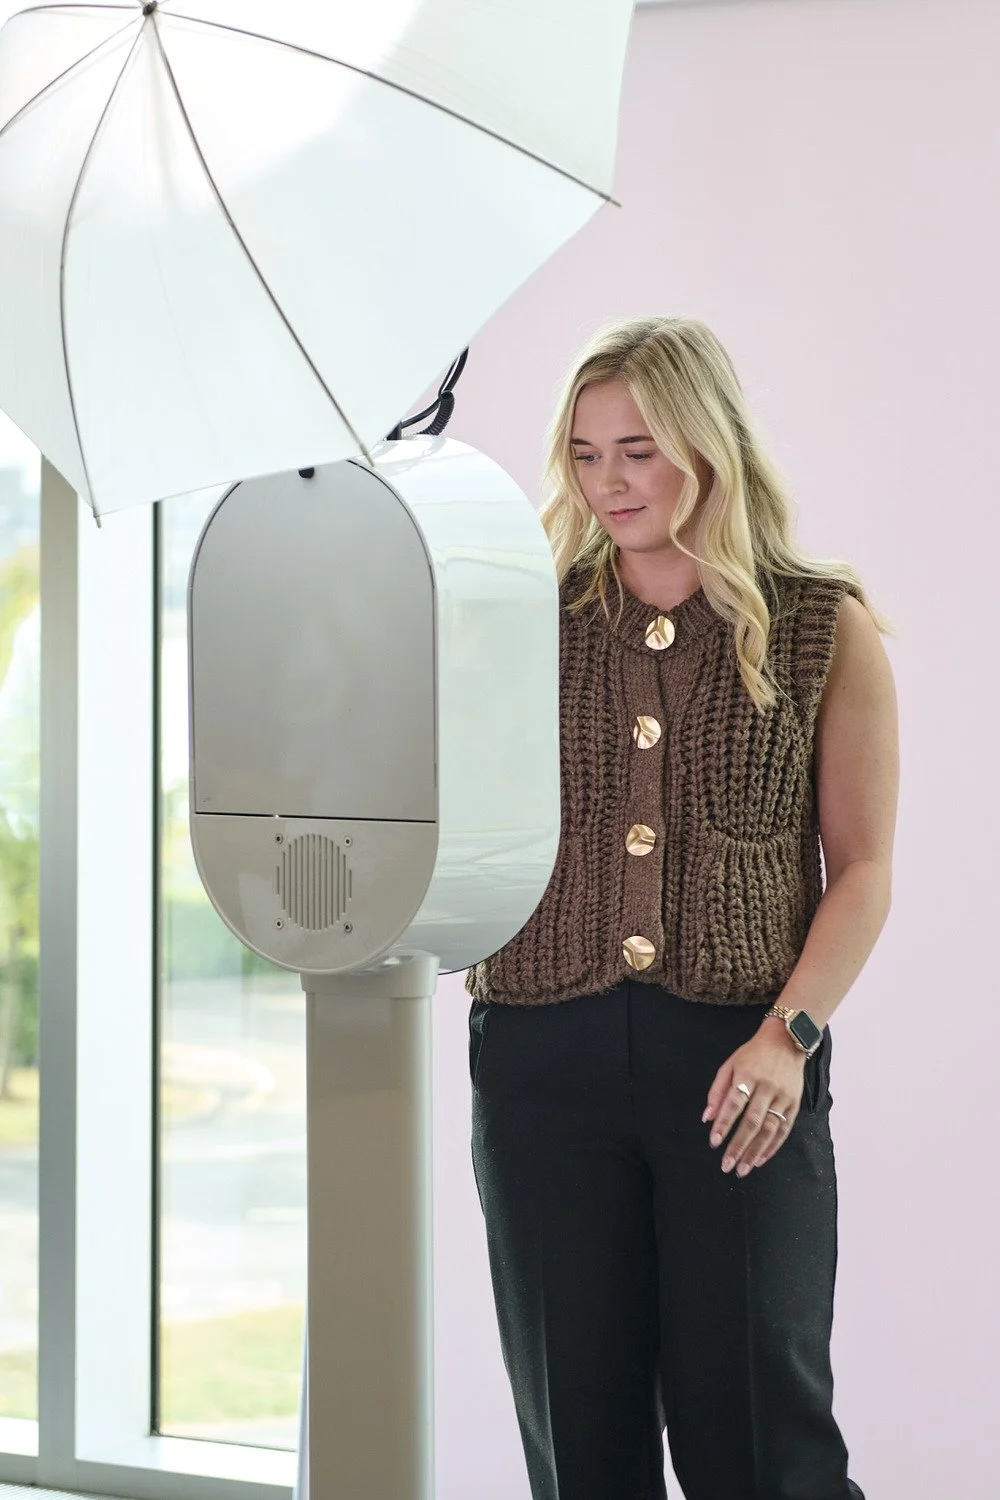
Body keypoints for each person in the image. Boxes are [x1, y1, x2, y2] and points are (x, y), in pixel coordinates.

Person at [465, 316, 899, 1500]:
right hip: (542, 1059)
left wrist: (789, 1037)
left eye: (640, 451)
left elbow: (860, 868)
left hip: (736, 1065)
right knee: (580, 1445)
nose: (608, 481)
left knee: (762, 1444)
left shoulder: (819, 627)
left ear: (707, 448)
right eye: (587, 451)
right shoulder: (524, 619)